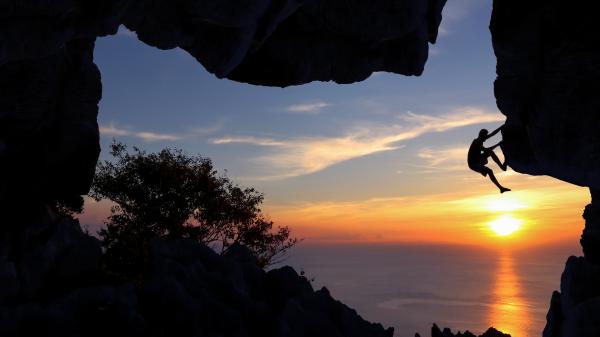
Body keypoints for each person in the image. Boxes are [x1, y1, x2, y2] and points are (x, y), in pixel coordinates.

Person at [468, 126, 510, 193]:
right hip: (473, 164)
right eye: (486, 136)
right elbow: (486, 150)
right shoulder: (477, 142)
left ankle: (502, 167)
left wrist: (501, 127)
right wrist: (497, 144)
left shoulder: (481, 139)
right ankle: (501, 188)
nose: (487, 137)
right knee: (489, 171)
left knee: (491, 152)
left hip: (478, 158)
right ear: (482, 136)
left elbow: (493, 134)